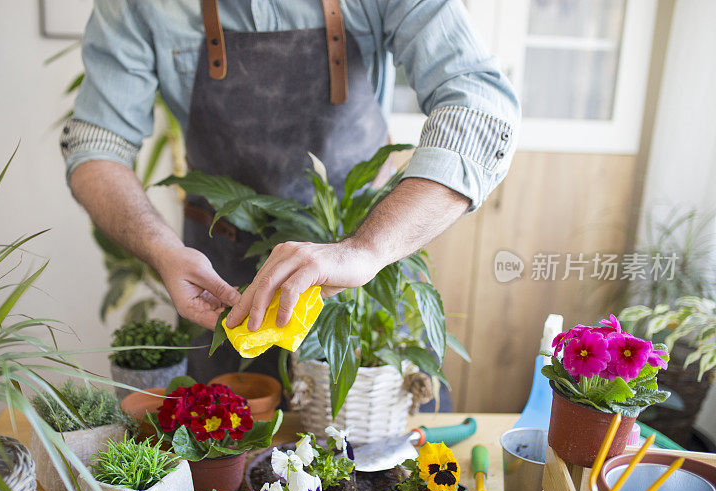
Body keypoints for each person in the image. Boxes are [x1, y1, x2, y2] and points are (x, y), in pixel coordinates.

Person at [61, 0, 520, 383]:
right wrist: (161, 250)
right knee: (227, 467)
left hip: (358, 279)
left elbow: (480, 107)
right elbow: (96, 145)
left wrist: (365, 249)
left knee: (379, 469)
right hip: (221, 282)